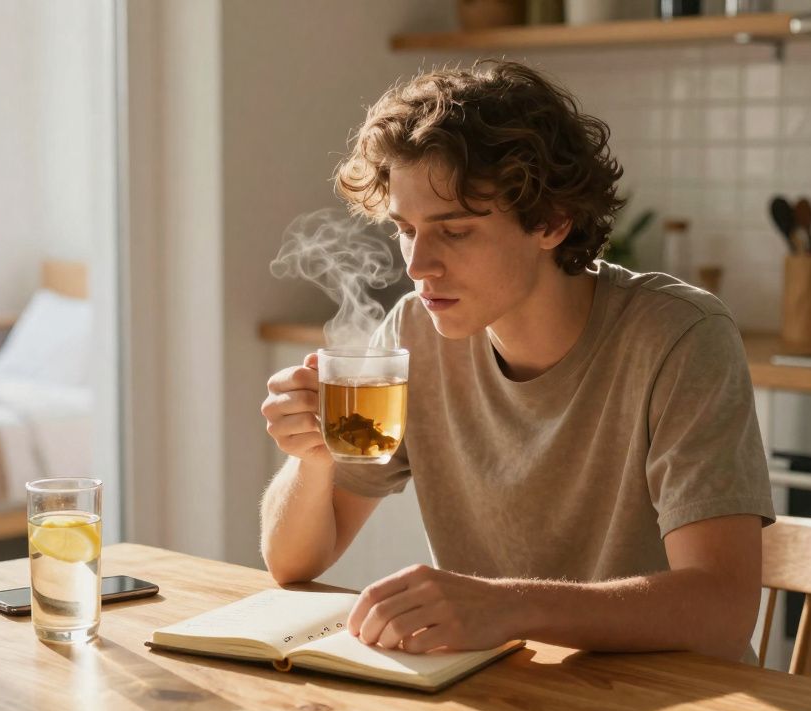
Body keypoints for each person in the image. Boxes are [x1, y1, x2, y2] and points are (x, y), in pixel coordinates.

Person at [259, 61, 774, 662]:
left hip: (672, 706)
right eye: (405, 229)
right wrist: (312, 458)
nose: (418, 266)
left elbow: (723, 606)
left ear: (552, 221)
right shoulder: (413, 332)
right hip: (506, 694)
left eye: (454, 232)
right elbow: (292, 562)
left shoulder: (679, 336)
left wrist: (510, 606)